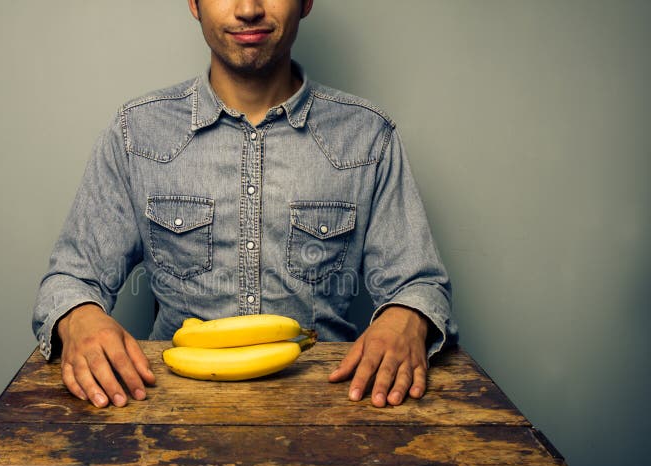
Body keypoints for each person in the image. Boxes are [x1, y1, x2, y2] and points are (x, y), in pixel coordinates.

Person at [32, 0, 458, 410]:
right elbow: (70, 278)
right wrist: (78, 317)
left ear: (306, 1)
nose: (249, 8)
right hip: (165, 407)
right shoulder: (136, 133)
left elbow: (418, 284)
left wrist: (407, 315)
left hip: (333, 405)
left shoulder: (368, 136)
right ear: (194, 2)